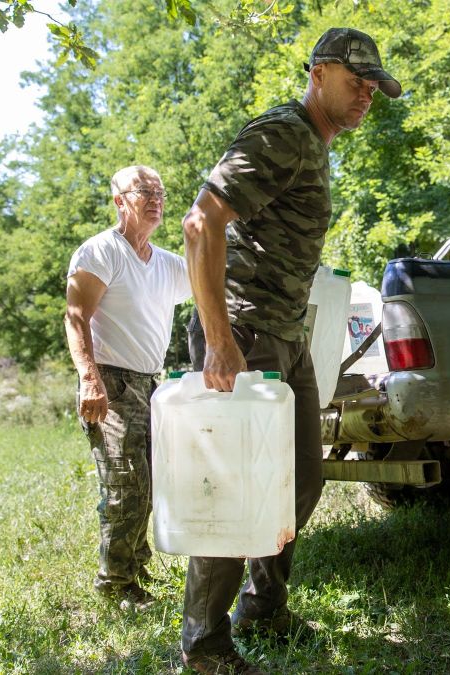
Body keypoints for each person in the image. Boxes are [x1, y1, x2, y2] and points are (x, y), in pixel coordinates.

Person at [178, 27, 401, 673]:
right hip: (244, 335)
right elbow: (201, 222)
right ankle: (205, 643)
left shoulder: (313, 145)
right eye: (356, 82)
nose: (366, 96)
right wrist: (219, 339)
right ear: (320, 71)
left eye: (374, 88)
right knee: (236, 490)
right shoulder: (282, 132)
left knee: (300, 478)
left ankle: (264, 607)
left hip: (287, 333)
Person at [64, 165, 192, 611]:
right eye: (144, 191)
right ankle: (114, 584)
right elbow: (75, 317)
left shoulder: (166, 263)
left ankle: (134, 566)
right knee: (126, 484)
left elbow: (213, 280)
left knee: (153, 482)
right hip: (110, 381)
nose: (155, 198)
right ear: (120, 200)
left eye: (159, 191)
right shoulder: (101, 252)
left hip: (150, 386)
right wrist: (89, 379)